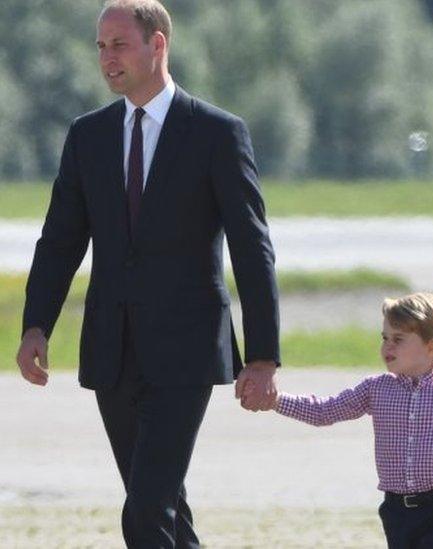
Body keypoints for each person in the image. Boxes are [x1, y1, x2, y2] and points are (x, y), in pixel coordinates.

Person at [15, 1, 280, 546]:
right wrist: (36, 324)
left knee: (144, 509)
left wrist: (262, 355)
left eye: (119, 45)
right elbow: (61, 240)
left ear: (157, 45)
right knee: (161, 506)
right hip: (113, 350)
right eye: (100, 47)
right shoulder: (87, 136)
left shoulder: (216, 134)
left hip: (186, 352)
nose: (106, 59)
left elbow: (253, 248)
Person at [271, 293, 433, 549]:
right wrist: (275, 400)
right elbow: (325, 411)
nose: (387, 346)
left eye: (398, 339)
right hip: (396, 509)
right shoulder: (376, 388)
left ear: (432, 346)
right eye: (385, 338)